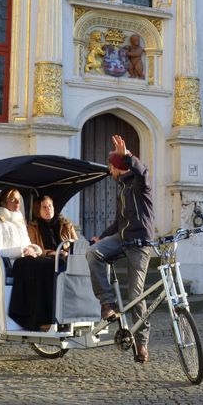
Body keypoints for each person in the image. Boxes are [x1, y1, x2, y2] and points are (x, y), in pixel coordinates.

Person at [86, 135, 156, 364]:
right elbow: (118, 223)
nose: (109, 170)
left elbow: (143, 173)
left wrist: (128, 156)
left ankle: (142, 343)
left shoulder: (138, 183)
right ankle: (107, 304)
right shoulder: (122, 191)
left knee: (136, 295)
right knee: (93, 252)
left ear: (117, 167)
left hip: (140, 244)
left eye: (110, 166)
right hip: (122, 238)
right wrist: (101, 238)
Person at [0, 188, 56, 331]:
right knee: (39, 266)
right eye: (13, 199)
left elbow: (27, 244)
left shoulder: (19, 222)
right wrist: (22, 250)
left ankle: (51, 317)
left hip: (25, 261)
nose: (17, 202)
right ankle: (37, 319)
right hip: (12, 265)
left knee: (51, 264)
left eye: (19, 199)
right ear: (4, 202)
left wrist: (35, 248)